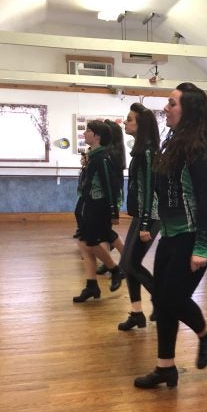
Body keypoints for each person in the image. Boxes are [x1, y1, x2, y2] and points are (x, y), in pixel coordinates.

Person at [133, 82, 207, 389]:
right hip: (171, 234)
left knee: (173, 298)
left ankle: (206, 333)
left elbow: (206, 199)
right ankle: (165, 367)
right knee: (162, 299)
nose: (165, 108)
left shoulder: (201, 151)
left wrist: (201, 246)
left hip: (195, 234)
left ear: (189, 110)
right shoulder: (173, 144)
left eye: (172, 103)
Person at [117, 103, 160, 331]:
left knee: (130, 263)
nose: (125, 122)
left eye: (129, 119)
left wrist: (144, 223)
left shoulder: (148, 151)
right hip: (143, 214)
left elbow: (149, 188)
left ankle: (162, 302)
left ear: (140, 125)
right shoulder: (141, 149)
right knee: (128, 263)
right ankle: (136, 313)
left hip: (150, 216)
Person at [72, 120, 124, 302]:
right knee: (83, 245)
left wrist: (113, 210)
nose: (84, 133)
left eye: (88, 131)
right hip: (88, 205)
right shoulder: (93, 156)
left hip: (98, 206)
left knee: (92, 243)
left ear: (97, 136)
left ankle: (115, 268)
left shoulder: (102, 157)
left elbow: (109, 186)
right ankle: (91, 285)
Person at [96, 119, 126, 273]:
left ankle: (126, 261)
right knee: (105, 231)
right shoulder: (109, 152)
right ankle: (107, 262)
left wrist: (113, 206)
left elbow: (112, 183)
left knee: (106, 231)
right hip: (110, 195)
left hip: (112, 196)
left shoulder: (111, 153)